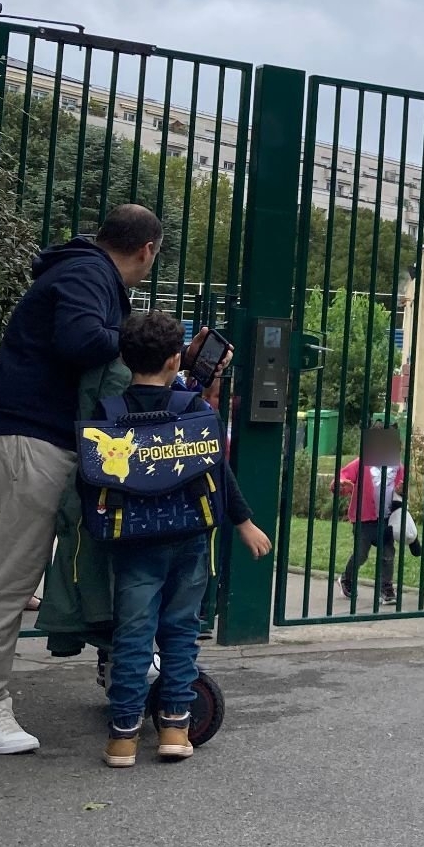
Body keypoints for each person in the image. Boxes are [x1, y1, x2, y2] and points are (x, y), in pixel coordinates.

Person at [0, 205, 161, 755]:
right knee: (6, 580)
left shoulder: (80, 271)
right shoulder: (86, 274)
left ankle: (10, 697)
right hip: (25, 441)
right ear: (148, 250)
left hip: (34, 441)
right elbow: (79, 340)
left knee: (29, 572)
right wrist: (136, 338)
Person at [100, 311, 271, 768]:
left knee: (133, 636)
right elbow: (218, 472)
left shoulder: (110, 412)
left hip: (134, 541)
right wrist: (244, 522)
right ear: (177, 359)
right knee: (180, 633)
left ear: (122, 357)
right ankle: (175, 727)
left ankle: (122, 736)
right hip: (190, 537)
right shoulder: (195, 412)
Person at [334, 426, 405, 606]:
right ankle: (347, 579)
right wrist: (341, 484)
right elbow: (342, 476)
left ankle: (386, 588)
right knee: (361, 554)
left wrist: (401, 490)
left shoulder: (397, 467)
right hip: (364, 519)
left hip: (387, 518)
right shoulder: (361, 463)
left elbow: (401, 489)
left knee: (388, 554)